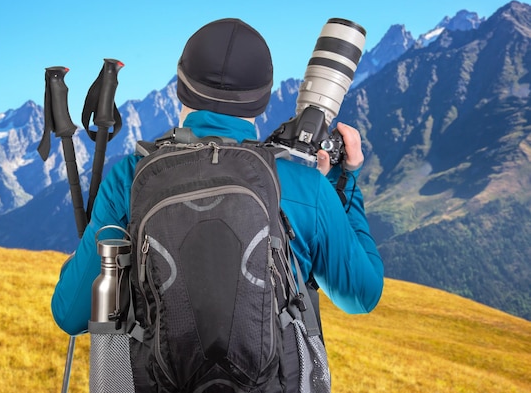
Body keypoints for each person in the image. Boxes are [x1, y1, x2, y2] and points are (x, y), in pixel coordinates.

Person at [51, 18, 384, 337]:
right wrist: (345, 181)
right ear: (264, 99)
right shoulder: (305, 185)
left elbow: (71, 314)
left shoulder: (131, 177)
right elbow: (361, 297)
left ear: (180, 86)